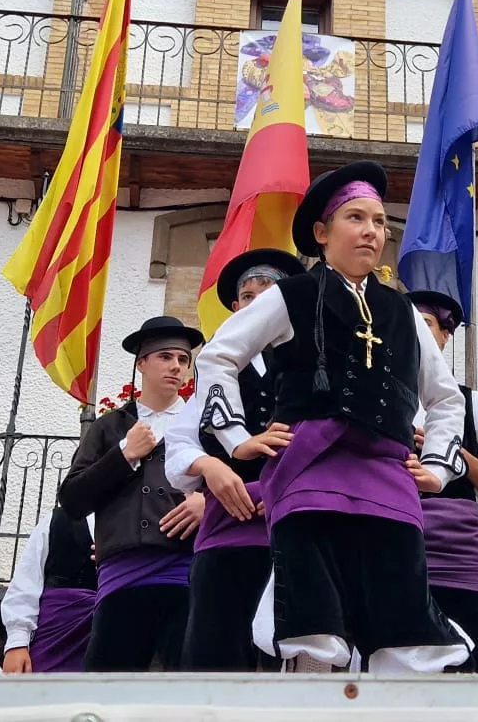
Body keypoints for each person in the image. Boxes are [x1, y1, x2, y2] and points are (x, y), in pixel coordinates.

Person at [187, 161, 471, 673]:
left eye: (380, 221)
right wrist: (236, 438)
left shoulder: (404, 312)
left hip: (388, 479)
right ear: (322, 233)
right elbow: (217, 357)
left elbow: (447, 398)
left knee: (401, 617)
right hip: (309, 473)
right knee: (313, 622)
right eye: (356, 218)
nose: (372, 232)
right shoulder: (290, 295)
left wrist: (439, 468)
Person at [166, 247, 305, 670]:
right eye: (249, 296)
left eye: (272, 293)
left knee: (290, 662)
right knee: (214, 658)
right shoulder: (215, 371)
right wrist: (211, 467)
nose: (259, 302)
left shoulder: (312, 365)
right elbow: (178, 444)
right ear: (235, 308)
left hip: (297, 532)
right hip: (227, 532)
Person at [58, 316, 207, 672]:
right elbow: (74, 500)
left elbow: (235, 485)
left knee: (189, 690)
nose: (176, 366)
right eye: (165, 357)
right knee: (105, 692)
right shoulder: (109, 427)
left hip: (186, 574)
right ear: (142, 363)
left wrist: (207, 502)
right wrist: (125, 453)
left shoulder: (202, 424)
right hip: (121, 577)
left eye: (183, 360)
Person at [408, 288, 478, 676]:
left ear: (444, 336)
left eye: (426, 325)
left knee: (477, 675)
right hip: (393, 554)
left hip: (457, 562)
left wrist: (455, 454)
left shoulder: (476, 406)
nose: (417, 335)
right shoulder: (381, 401)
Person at [0, 507, 100, 674]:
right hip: (57, 635)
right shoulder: (57, 519)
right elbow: (27, 580)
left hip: (114, 634)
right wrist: (17, 643)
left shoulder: (142, 520)